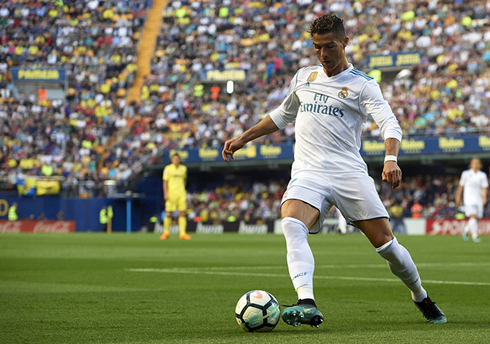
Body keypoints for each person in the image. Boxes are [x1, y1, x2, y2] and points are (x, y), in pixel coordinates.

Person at [222, 14, 446, 327]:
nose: (324, 55)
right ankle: (307, 301)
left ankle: (421, 296)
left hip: (348, 174)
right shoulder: (303, 78)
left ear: (345, 42)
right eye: (317, 48)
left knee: (387, 246)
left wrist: (391, 158)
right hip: (309, 172)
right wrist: (243, 138)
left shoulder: (363, 85)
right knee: (290, 220)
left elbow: (389, 123)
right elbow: (281, 115)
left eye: (329, 47)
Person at [455, 158, 488, 243]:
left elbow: (484, 188)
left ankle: (466, 229)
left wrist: (484, 198)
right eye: (474, 163)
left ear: (480, 165)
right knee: (473, 215)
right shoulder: (466, 174)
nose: (476, 164)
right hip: (469, 199)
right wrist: (458, 196)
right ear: (471, 164)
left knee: (478, 218)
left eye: (477, 163)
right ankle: (474, 236)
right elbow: (461, 186)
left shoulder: (482, 175)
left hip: (479, 199)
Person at [160, 153, 191, 240]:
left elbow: (184, 180)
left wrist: (183, 189)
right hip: (171, 193)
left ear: (180, 160)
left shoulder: (183, 168)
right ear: (171, 160)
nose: (176, 160)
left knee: (182, 213)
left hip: (181, 193)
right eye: (174, 159)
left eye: (177, 159)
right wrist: (165, 193)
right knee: (168, 213)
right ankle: (166, 232)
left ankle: (182, 233)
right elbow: (165, 182)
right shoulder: (168, 169)